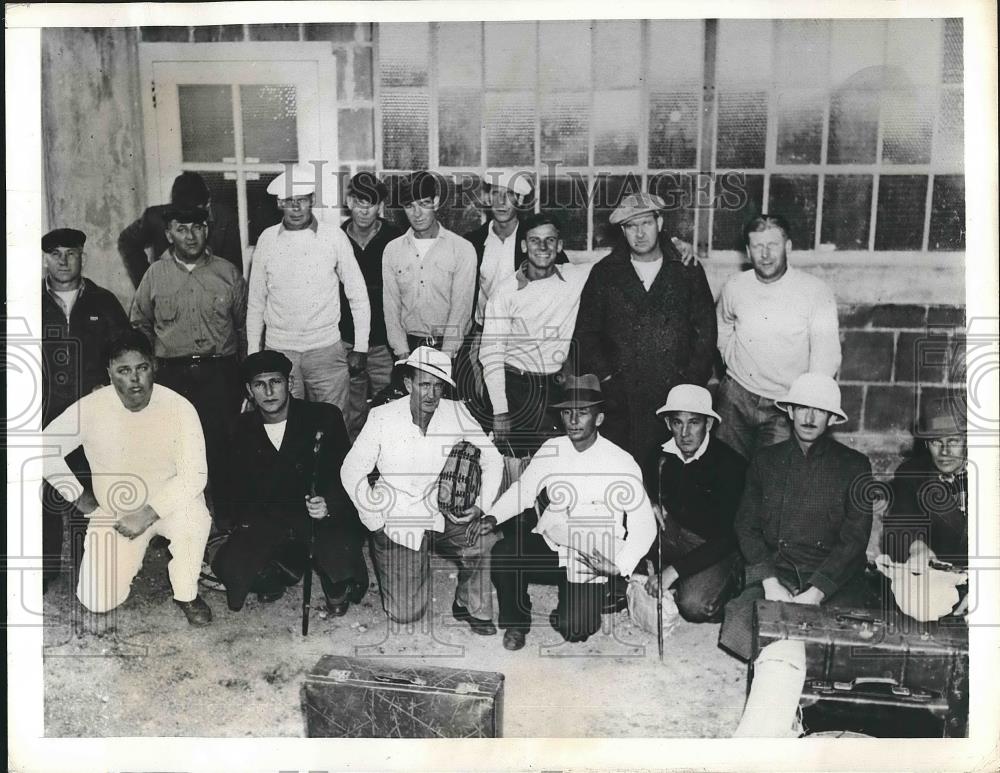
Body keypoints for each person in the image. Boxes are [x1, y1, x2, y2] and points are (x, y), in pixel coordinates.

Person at [472, 375, 657, 650]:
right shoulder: (552, 449)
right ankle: (517, 622)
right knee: (505, 552)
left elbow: (645, 524)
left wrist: (620, 564)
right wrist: (493, 516)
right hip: (553, 542)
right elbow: (524, 490)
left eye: (582, 413)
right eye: (568, 412)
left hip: (591, 556)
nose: (573, 420)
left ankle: (579, 603)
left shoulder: (621, 461)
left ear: (599, 418)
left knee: (577, 630)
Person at [43, 329, 213, 625]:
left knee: (196, 519)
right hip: (117, 512)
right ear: (109, 372)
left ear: (154, 366)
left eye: (142, 368)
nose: (134, 379)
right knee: (97, 601)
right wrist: (81, 499)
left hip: (169, 504)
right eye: (123, 370)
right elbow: (43, 447)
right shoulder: (92, 407)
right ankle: (131, 557)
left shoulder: (180, 408)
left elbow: (195, 476)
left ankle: (186, 591)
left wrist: (147, 514)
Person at [340, 347, 504, 633]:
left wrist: (481, 506)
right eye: (424, 384)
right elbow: (351, 470)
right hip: (396, 516)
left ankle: (469, 603)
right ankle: (404, 564)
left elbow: (493, 457)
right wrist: (375, 522)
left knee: (482, 539)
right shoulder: (382, 417)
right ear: (408, 384)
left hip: (439, 511)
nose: (431, 394)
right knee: (405, 614)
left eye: (438, 386)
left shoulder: (456, 412)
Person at [719, 373, 875, 661]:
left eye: (820, 410)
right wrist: (769, 581)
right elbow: (746, 525)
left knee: (846, 640)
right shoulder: (766, 461)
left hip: (831, 576)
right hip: (779, 571)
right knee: (742, 623)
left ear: (832, 419)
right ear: (790, 412)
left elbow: (855, 539)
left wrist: (818, 591)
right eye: (802, 407)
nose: (810, 416)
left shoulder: (854, 466)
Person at [210, 351, 369, 615]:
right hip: (269, 516)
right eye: (260, 384)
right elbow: (228, 486)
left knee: (342, 566)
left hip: (316, 514)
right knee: (234, 567)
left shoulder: (324, 417)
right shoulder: (238, 429)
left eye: (276, 382)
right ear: (249, 390)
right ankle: (280, 571)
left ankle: (332, 578)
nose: (269, 391)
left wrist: (329, 503)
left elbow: (348, 472)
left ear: (290, 384)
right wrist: (241, 524)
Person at [571, 192, 717, 466]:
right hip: (621, 401)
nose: (639, 233)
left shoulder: (687, 270)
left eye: (646, 223)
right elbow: (585, 335)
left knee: (668, 476)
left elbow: (706, 335)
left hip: (673, 399)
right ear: (622, 232)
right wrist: (607, 380)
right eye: (631, 226)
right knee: (621, 475)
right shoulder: (605, 273)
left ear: (660, 223)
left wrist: (687, 384)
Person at [129, 204, 247, 528]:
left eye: (197, 227)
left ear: (206, 230)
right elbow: (140, 322)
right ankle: (182, 526)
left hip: (219, 374)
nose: (190, 235)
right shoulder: (155, 274)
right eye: (182, 228)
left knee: (221, 450)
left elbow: (243, 327)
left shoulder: (228, 272)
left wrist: (241, 376)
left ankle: (226, 527)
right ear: (169, 234)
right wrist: (152, 365)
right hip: (173, 375)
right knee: (177, 454)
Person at [41, 228, 129, 592]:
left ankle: (86, 567)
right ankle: (45, 569)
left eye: (71, 253)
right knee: (43, 487)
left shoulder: (104, 302)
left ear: (82, 257)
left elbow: (125, 352)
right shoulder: (25, 299)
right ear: (46, 258)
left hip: (90, 409)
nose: (63, 261)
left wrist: (107, 388)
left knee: (86, 485)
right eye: (56, 253)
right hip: (42, 409)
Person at [247, 164, 372, 414]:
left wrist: (360, 347)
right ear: (279, 203)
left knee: (332, 425)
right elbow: (256, 302)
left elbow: (358, 295)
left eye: (301, 201)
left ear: (312, 200)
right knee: (286, 427)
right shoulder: (267, 239)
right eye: (289, 201)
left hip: (326, 351)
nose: (295, 208)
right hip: (279, 352)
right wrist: (253, 355)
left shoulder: (334, 237)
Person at [715, 214, 842, 460]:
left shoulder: (815, 291)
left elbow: (826, 356)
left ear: (788, 247)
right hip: (736, 398)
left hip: (784, 404)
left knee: (772, 480)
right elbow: (722, 327)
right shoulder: (734, 286)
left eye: (772, 245)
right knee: (725, 472)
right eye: (757, 246)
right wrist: (734, 365)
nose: (765, 254)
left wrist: (802, 402)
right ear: (748, 252)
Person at [479, 213, 593, 457]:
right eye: (535, 240)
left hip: (555, 389)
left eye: (550, 240)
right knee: (513, 466)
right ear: (523, 245)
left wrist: (675, 246)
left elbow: (621, 260)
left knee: (553, 465)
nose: (543, 247)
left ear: (559, 246)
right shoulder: (505, 291)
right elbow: (490, 354)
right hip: (515, 388)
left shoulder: (576, 277)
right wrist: (500, 411)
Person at [644, 384, 747, 623]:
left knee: (694, 606)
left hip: (714, 545)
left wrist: (673, 571)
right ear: (669, 424)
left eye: (694, 422)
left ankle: (730, 581)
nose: (685, 433)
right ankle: (676, 574)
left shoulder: (730, 465)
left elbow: (728, 537)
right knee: (622, 562)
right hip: (674, 533)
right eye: (678, 423)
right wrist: (648, 500)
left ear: (709, 424)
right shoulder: (660, 452)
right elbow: (642, 480)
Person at [382, 171, 477, 366]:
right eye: (409, 206)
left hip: (450, 349)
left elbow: (462, 308)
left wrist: (446, 355)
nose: (417, 214)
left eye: (424, 203)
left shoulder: (462, 249)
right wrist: (402, 353)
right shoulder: (392, 250)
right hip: (409, 349)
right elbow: (391, 307)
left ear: (435, 201)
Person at [338, 171, 404, 437]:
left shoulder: (394, 237)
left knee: (388, 408)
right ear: (349, 201)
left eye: (372, 202)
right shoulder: (336, 237)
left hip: (384, 343)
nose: (365, 210)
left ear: (380, 205)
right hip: (346, 340)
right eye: (359, 201)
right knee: (351, 412)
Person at [464, 170, 568, 330]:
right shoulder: (473, 242)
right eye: (496, 193)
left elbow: (564, 285)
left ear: (519, 200)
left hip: (525, 333)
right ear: (488, 198)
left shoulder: (535, 242)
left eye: (509, 194)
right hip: (482, 332)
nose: (501, 202)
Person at [883, 397, 969, 569]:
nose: (944, 451)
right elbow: (899, 527)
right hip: (938, 577)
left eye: (953, 441)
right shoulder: (911, 475)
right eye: (936, 442)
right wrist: (916, 547)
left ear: (967, 441)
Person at [118, 171, 242, 287]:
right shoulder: (155, 218)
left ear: (208, 205)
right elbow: (127, 241)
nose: (190, 230)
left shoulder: (225, 220)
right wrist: (147, 284)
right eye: (183, 215)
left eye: (196, 215)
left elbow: (232, 276)